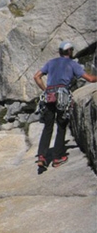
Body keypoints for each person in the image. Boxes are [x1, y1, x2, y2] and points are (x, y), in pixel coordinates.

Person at [33, 41, 97, 169]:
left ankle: (41, 156)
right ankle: (57, 158)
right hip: (62, 96)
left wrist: (45, 89)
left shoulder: (51, 63)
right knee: (61, 126)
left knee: (48, 127)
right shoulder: (72, 64)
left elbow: (36, 76)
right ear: (69, 51)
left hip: (49, 96)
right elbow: (89, 79)